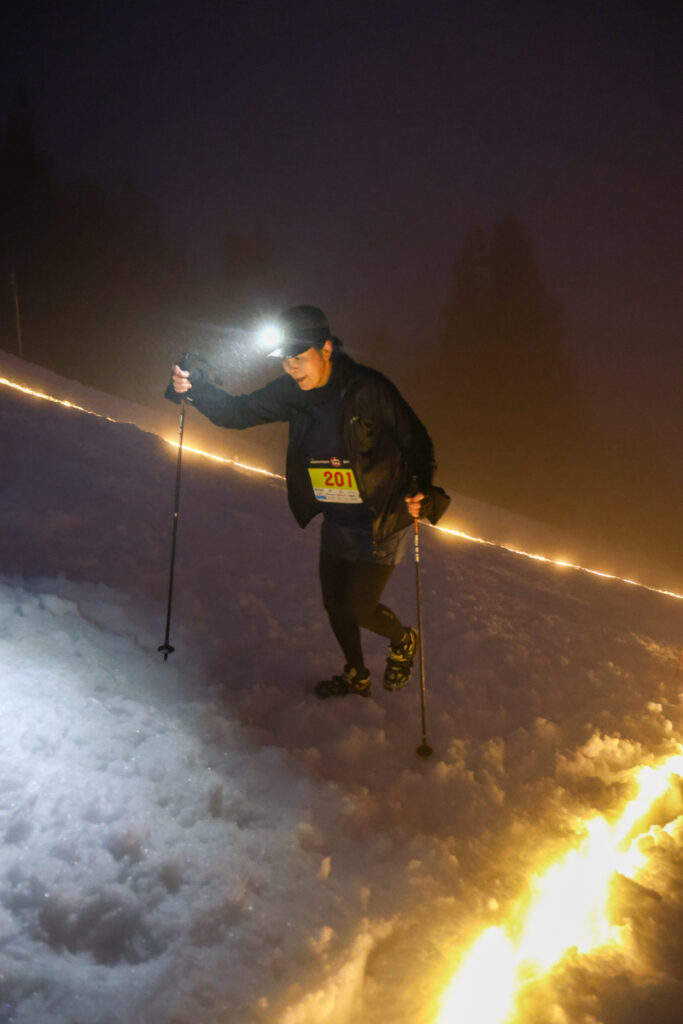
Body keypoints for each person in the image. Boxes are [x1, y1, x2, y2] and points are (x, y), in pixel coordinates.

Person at [167, 305, 449, 698]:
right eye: (284, 360)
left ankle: (403, 640)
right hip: (337, 513)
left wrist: (421, 487)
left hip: (381, 516)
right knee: (335, 604)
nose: (291, 368)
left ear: (327, 350)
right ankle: (356, 675)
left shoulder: (368, 390)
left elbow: (415, 440)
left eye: (298, 358)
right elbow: (238, 412)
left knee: (359, 608)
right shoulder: (291, 392)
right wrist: (195, 389)